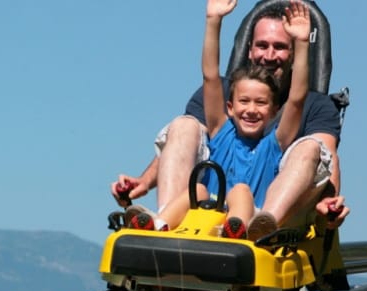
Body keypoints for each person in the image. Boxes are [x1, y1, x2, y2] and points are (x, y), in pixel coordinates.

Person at [112, 0, 349, 238]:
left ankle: (246, 229)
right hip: (202, 215)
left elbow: (297, 101)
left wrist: (301, 42)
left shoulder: (277, 140)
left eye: (261, 103)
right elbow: (209, 75)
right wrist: (213, 21)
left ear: (275, 110)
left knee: (241, 191)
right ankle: (159, 223)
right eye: (244, 102)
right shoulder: (220, 128)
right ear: (230, 106)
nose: (251, 110)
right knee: (196, 181)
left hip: (258, 216)